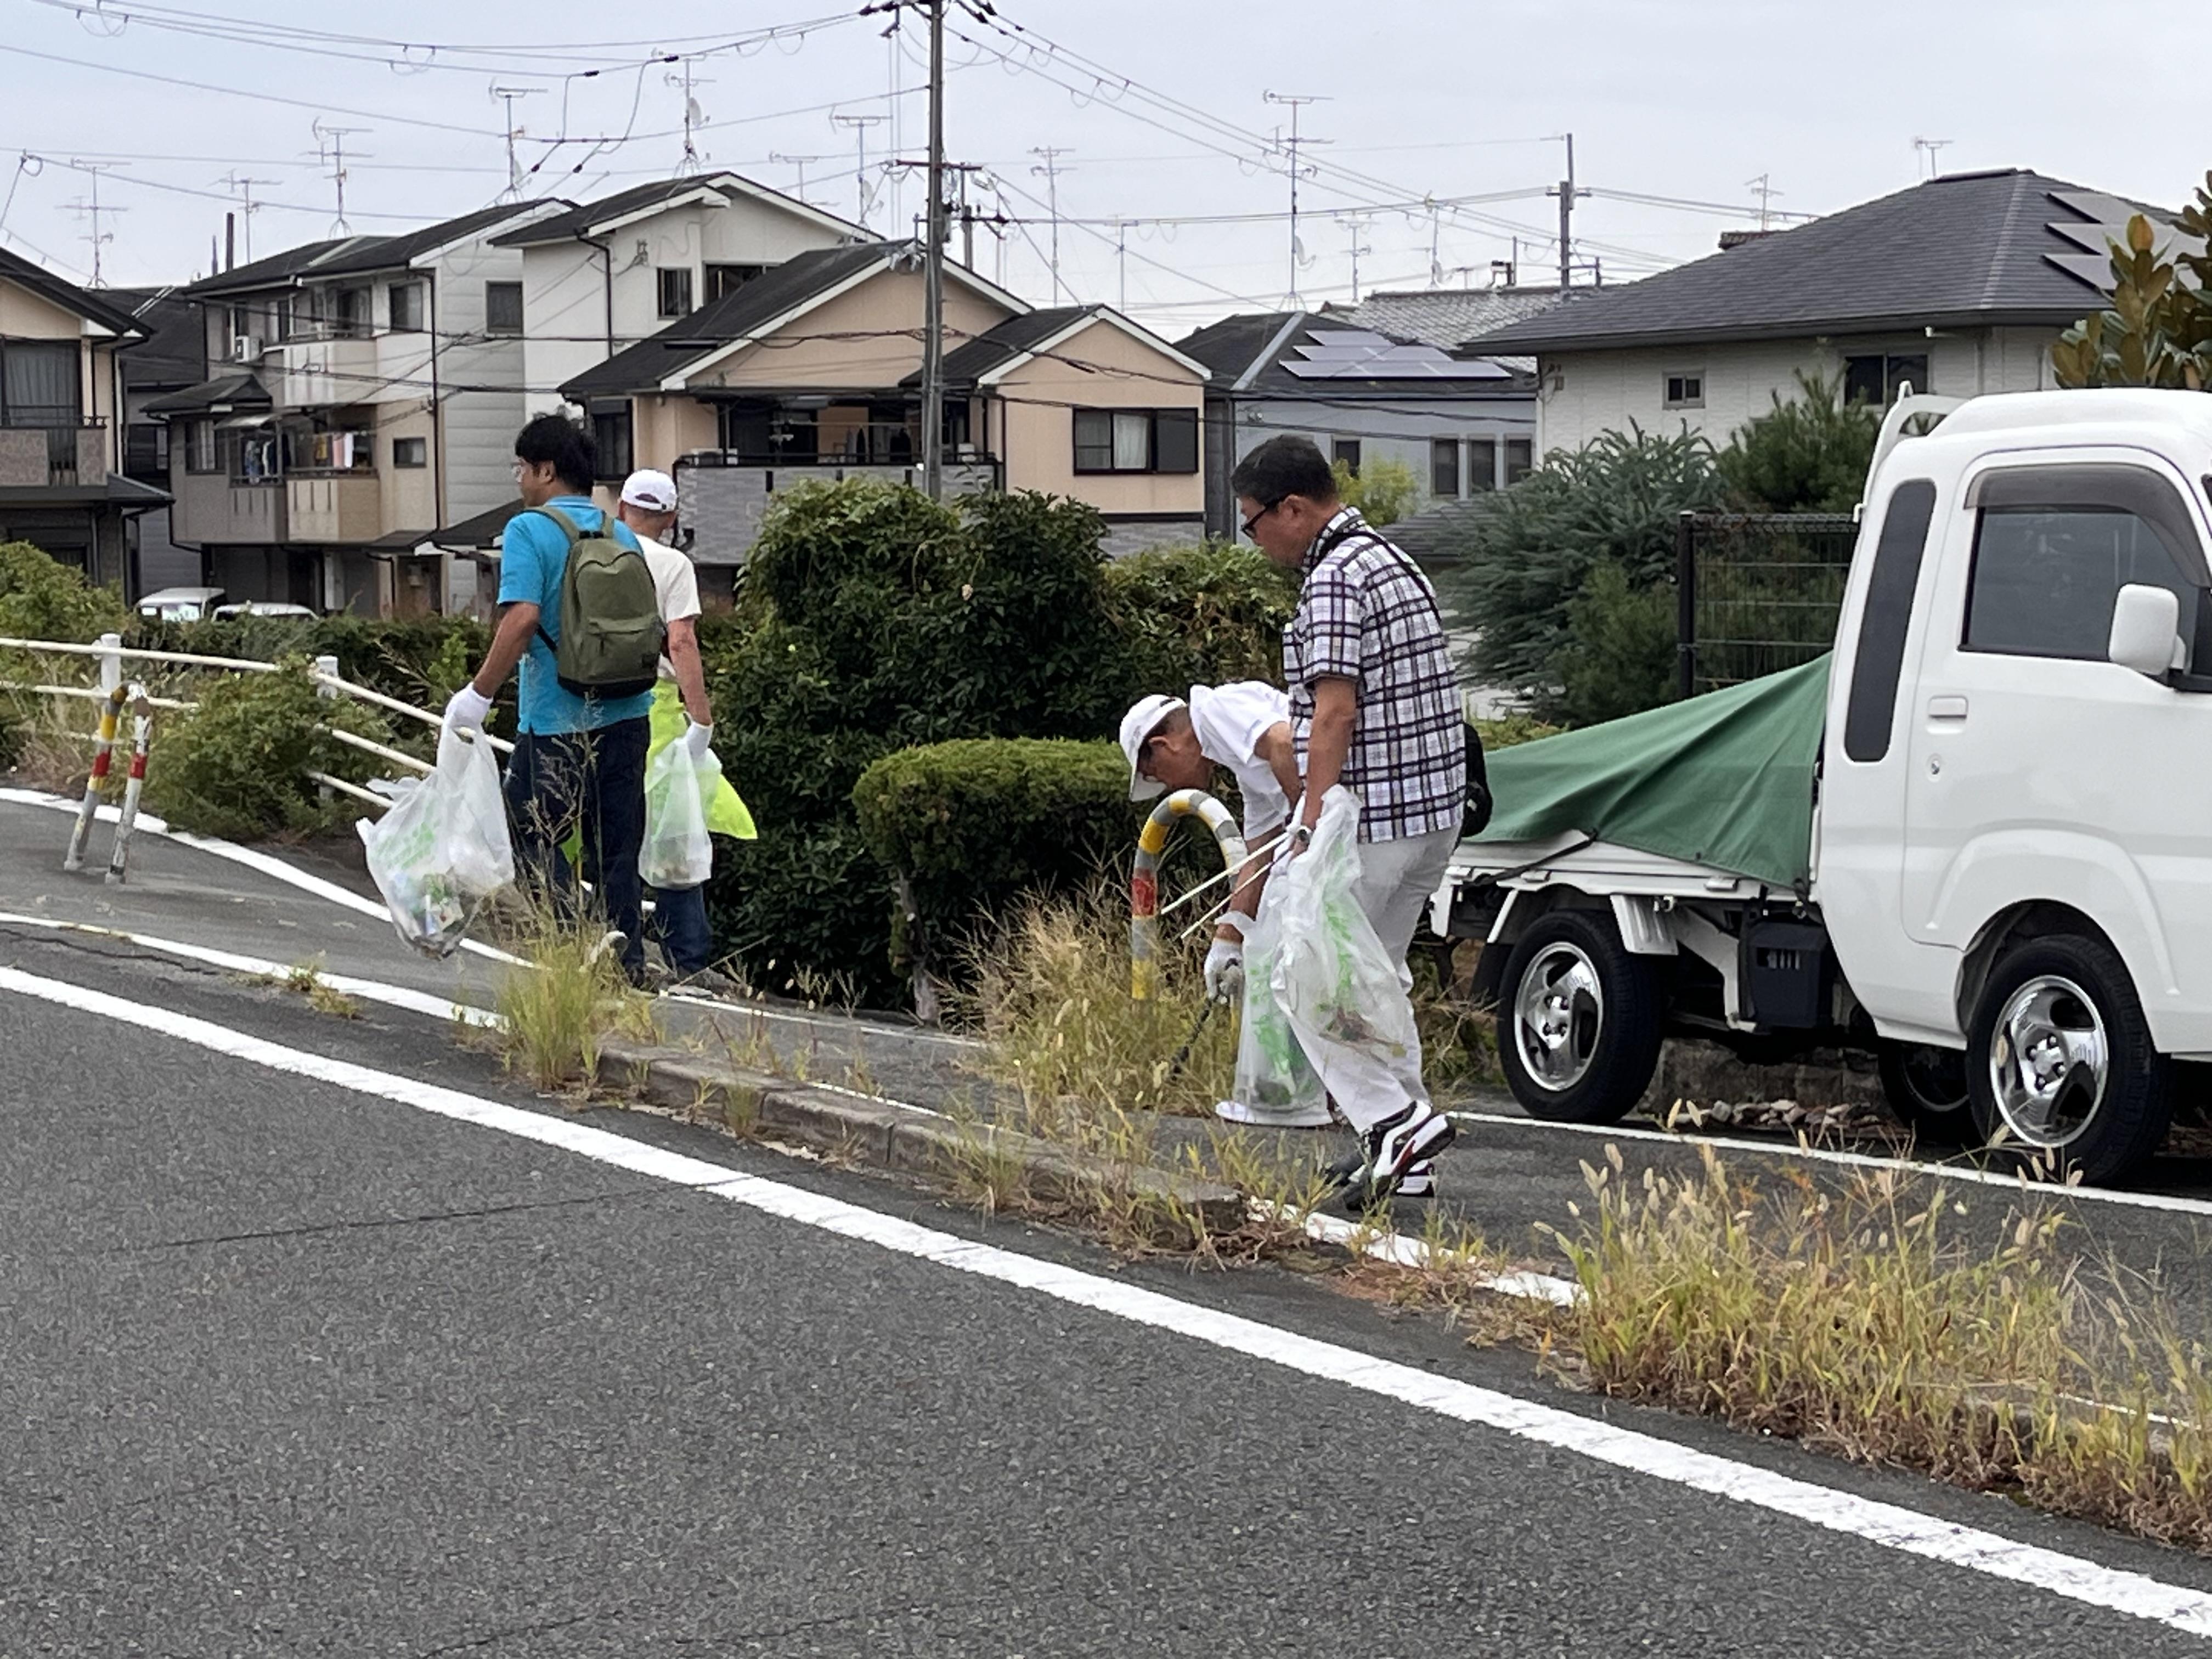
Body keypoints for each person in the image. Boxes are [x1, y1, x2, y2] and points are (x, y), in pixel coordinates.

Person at [1231, 434, 1466, 1208]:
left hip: (1369, 817)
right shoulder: (1393, 561)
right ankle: (1407, 1155)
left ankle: (1394, 1121)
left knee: (1306, 980)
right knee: (1375, 981)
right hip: (1433, 813)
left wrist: (1308, 816)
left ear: (1293, 509)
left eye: (1253, 521)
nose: (1254, 538)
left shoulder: (1332, 577)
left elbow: (1333, 710)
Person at [443, 414, 654, 983]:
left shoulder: (529, 530)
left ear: (546, 469)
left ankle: (580, 937)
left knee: (521, 832)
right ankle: (625, 968)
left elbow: (521, 620)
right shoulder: (622, 534)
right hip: (630, 713)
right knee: (616, 850)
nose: (518, 480)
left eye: (521, 468)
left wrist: (477, 695)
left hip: (558, 721)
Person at [1119, 682, 1323, 1127]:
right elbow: (1259, 852)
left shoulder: (1215, 712)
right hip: (1340, 830)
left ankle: (1312, 1103)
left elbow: (1285, 742)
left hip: (1345, 826)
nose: (1165, 787)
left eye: (1156, 776)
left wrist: (1306, 825)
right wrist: (1226, 939)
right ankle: (1339, 1104)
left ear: (1163, 745)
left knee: (1309, 971)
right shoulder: (1239, 762)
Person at [614, 468, 756, 991]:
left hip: (589, 704)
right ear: (671, 517)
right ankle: (688, 961)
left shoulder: (590, 555)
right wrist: (702, 719)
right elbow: (681, 643)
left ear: (622, 508)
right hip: (655, 711)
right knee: (676, 834)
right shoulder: (673, 564)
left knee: (613, 832)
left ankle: (618, 951)